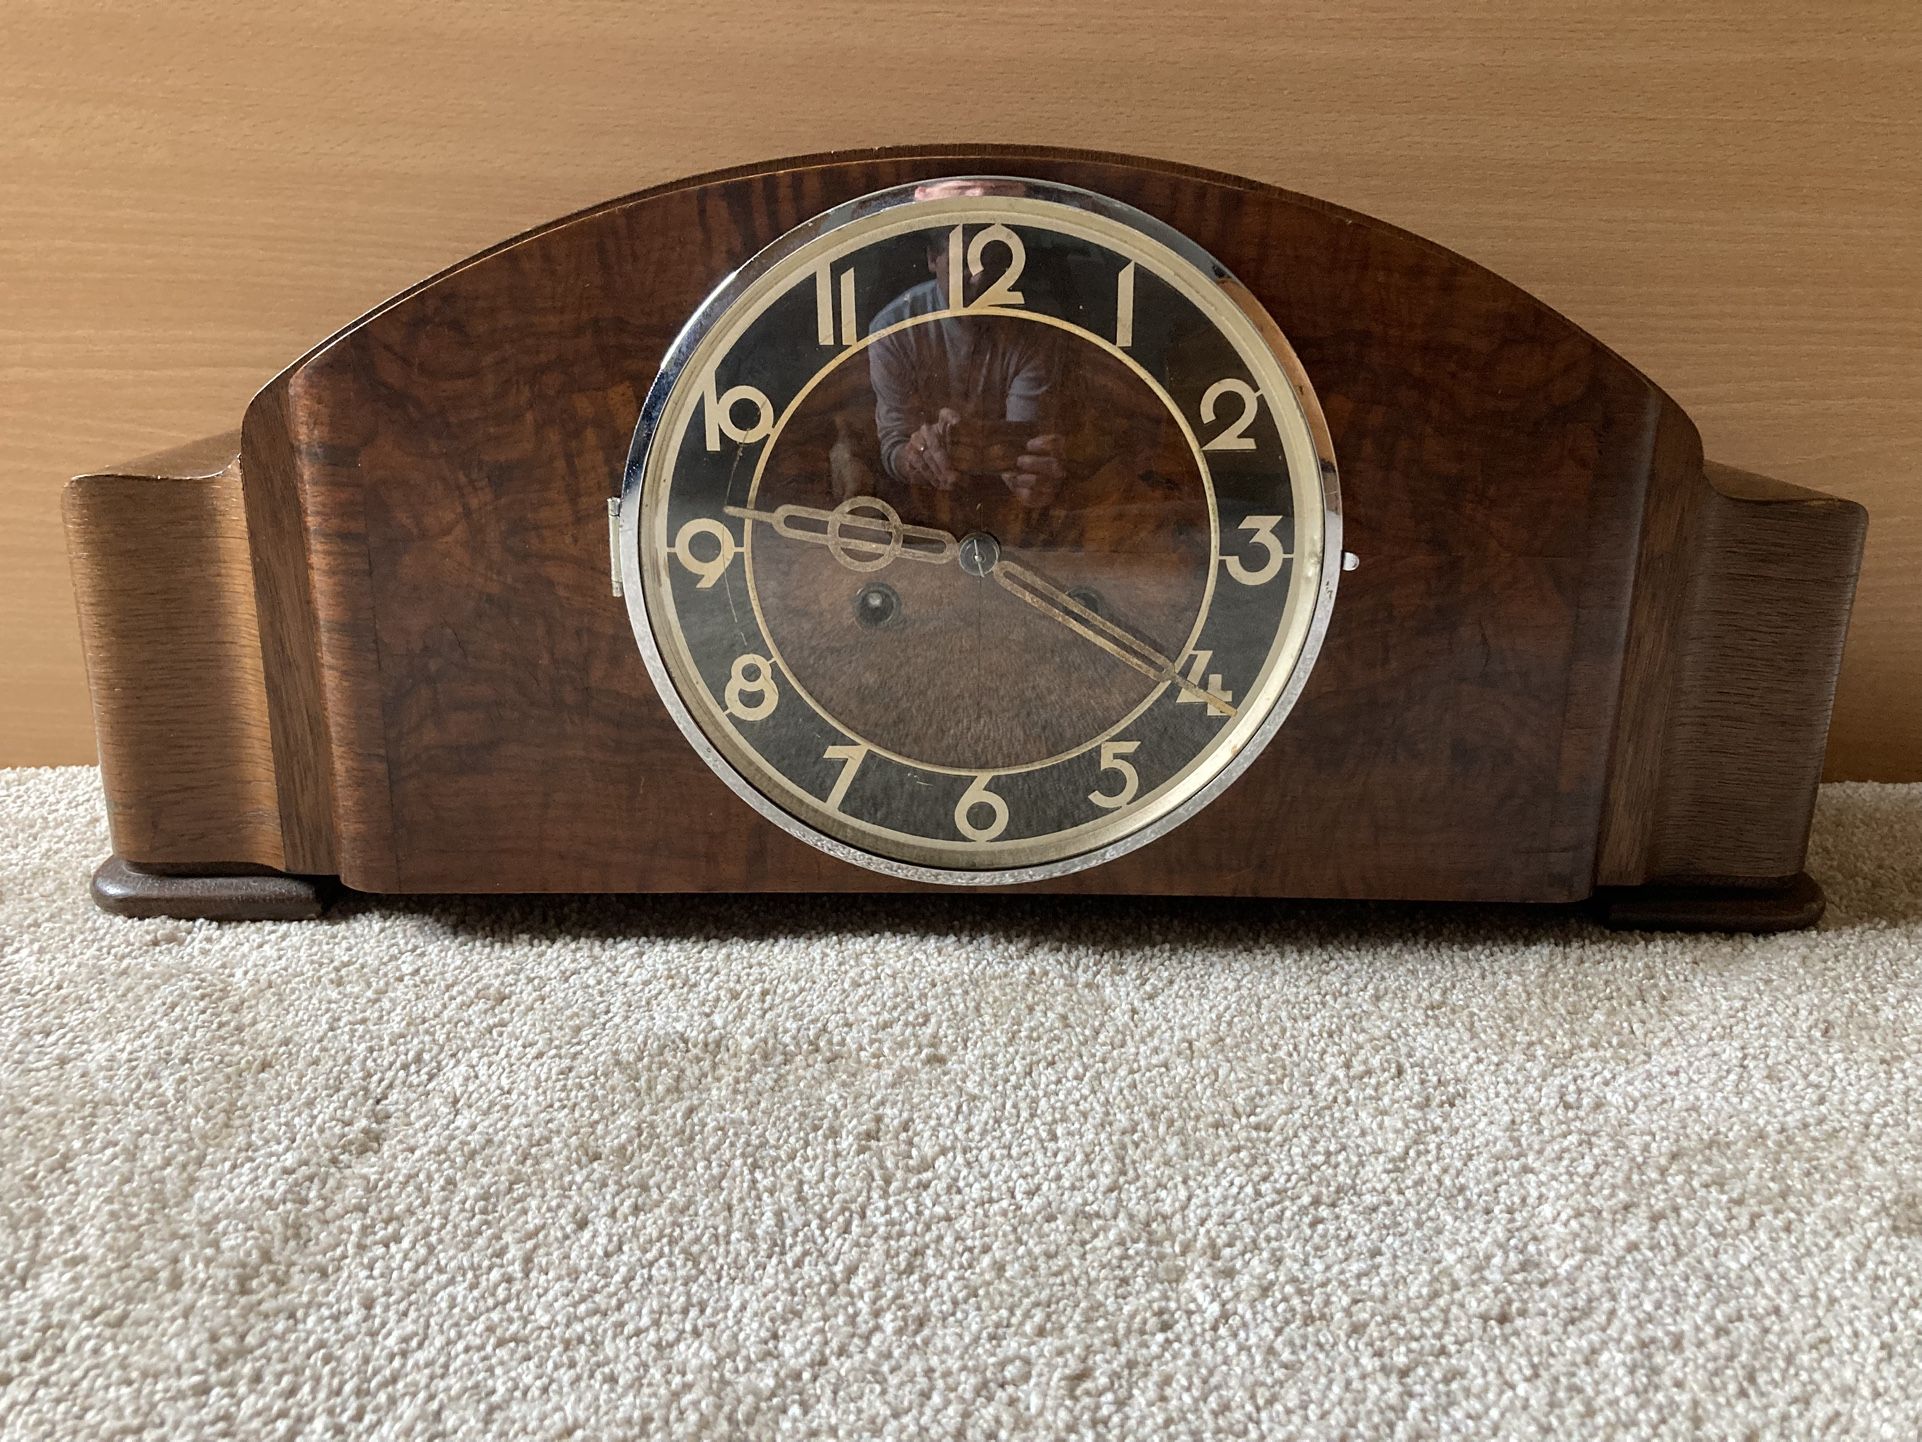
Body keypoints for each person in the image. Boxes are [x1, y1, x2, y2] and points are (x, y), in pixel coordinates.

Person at [867, 234, 1067, 509]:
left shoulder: (1038, 327)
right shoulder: (892, 330)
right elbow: (894, 444)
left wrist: (1029, 476)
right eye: (964, 262)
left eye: (993, 262)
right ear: (932, 259)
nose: (978, 279)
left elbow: (1026, 440)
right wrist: (913, 457)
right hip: (925, 501)